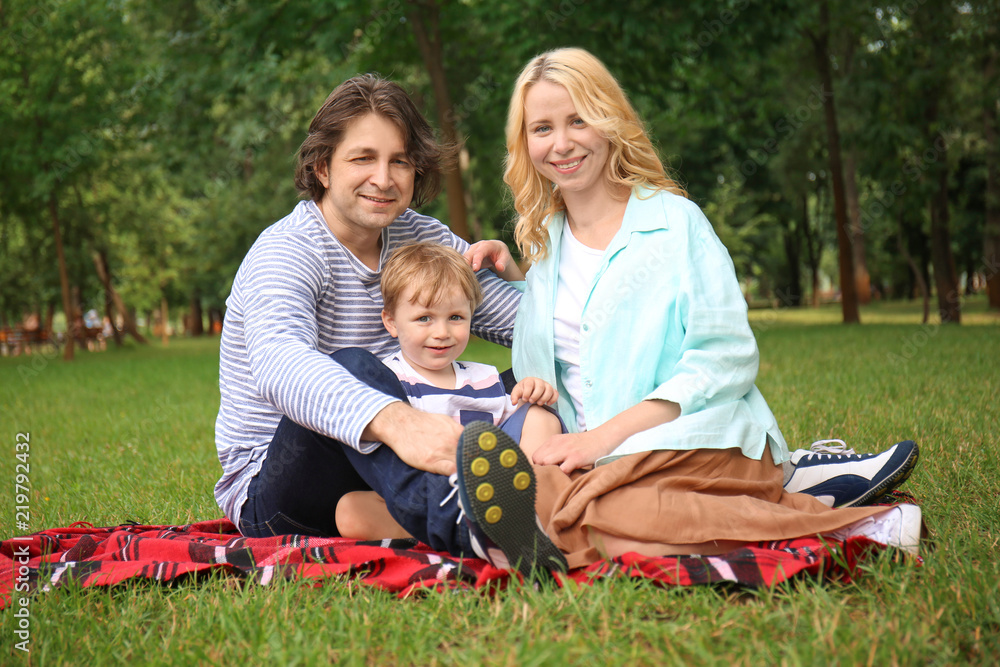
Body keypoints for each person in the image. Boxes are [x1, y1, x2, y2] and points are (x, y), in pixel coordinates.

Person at [213, 72, 918, 576]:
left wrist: (534, 280)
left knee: (538, 385)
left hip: (399, 463)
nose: (384, 177)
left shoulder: (417, 237)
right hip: (281, 485)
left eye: (399, 160)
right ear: (321, 165)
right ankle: (477, 518)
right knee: (352, 368)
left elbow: (535, 330)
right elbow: (281, 365)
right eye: (362, 158)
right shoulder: (286, 253)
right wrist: (399, 423)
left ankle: (747, 475)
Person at [452, 46, 923, 569]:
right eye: (541, 128)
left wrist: (600, 439)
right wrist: (517, 277)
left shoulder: (676, 223)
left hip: (700, 441)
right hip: (599, 459)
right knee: (592, 507)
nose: (561, 143)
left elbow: (724, 357)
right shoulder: (547, 244)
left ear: (609, 123)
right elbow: (584, 328)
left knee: (594, 507)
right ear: (525, 143)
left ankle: (863, 529)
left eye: (578, 120)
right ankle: (798, 502)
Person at [334, 242, 562, 540]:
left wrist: (533, 391)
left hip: (492, 491)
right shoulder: (387, 379)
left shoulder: (484, 377)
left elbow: (513, 429)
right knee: (349, 511)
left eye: (455, 317)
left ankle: (528, 508)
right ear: (391, 321)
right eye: (424, 318)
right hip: (425, 496)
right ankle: (471, 531)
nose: (442, 332)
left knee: (540, 417)